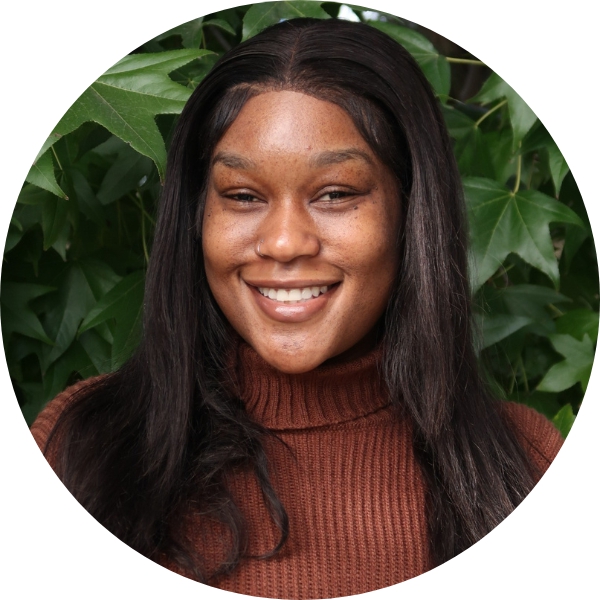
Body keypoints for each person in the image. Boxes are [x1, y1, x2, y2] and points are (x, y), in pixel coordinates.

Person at [31, 17, 563, 599]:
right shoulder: (82, 447)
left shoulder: (524, 467)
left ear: (413, 212)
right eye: (242, 196)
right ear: (195, 217)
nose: (284, 243)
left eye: (335, 194)